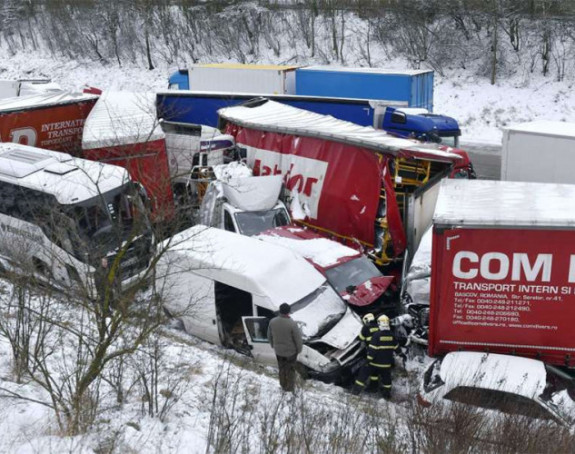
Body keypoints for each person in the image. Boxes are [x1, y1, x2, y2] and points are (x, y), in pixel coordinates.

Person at [352, 314, 398, 399]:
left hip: (375, 361)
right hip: (387, 363)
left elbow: (371, 349)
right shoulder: (392, 335)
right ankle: (386, 394)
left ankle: (355, 391)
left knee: (363, 373)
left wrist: (368, 360)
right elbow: (397, 348)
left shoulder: (375, 335)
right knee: (386, 379)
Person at [267, 303, 303, 392]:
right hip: (290, 353)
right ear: (289, 312)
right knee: (290, 370)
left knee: (281, 368)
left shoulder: (272, 321)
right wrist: (299, 349)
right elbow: (298, 339)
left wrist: (272, 345)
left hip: (278, 351)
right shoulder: (292, 324)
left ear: (280, 310)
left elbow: (269, 335)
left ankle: (283, 385)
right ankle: (290, 389)